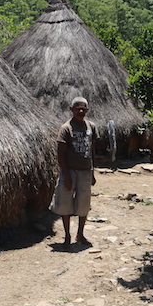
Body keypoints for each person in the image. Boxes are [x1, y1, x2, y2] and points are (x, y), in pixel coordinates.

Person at [52, 96, 100, 249]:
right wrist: (66, 175)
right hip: (70, 171)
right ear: (71, 110)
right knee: (65, 203)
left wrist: (92, 172)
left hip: (85, 171)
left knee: (84, 204)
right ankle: (67, 236)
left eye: (83, 109)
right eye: (78, 108)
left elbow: (92, 150)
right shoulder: (66, 128)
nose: (81, 111)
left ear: (87, 110)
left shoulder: (91, 127)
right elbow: (61, 153)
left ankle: (80, 233)